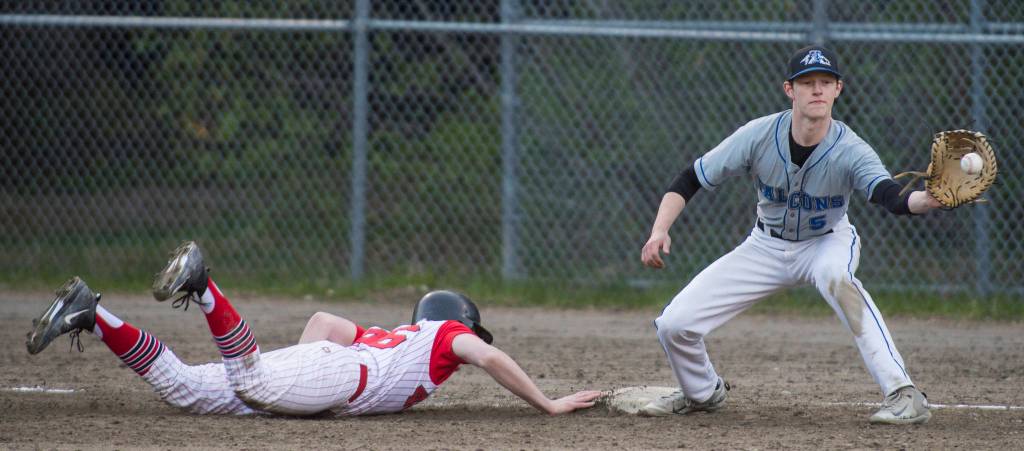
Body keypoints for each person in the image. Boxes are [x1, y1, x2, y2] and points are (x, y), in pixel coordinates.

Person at [638, 45, 942, 424]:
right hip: (765, 245)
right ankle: (702, 393)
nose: (817, 90)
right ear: (789, 90)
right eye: (807, 82)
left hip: (826, 242)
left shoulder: (850, 149)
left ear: (838, 90)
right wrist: (659, 230)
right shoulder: (759, 134)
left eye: (825, 82)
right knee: (673, 325)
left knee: (839, 280)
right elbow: (690, 178)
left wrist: (926, 200)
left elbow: (889, 196)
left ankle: (903, 393)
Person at [26, 241, 600, 417]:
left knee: (187, 390)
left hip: (324, 368)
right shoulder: (445, 335)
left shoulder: (389, 334)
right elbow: (489, 358)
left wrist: (295, 374)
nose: (470, 337)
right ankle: (204, 286)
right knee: (253, 381)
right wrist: (547, 404)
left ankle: (90, 313)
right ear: (456, 319)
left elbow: (323, 321)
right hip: (338, 375)